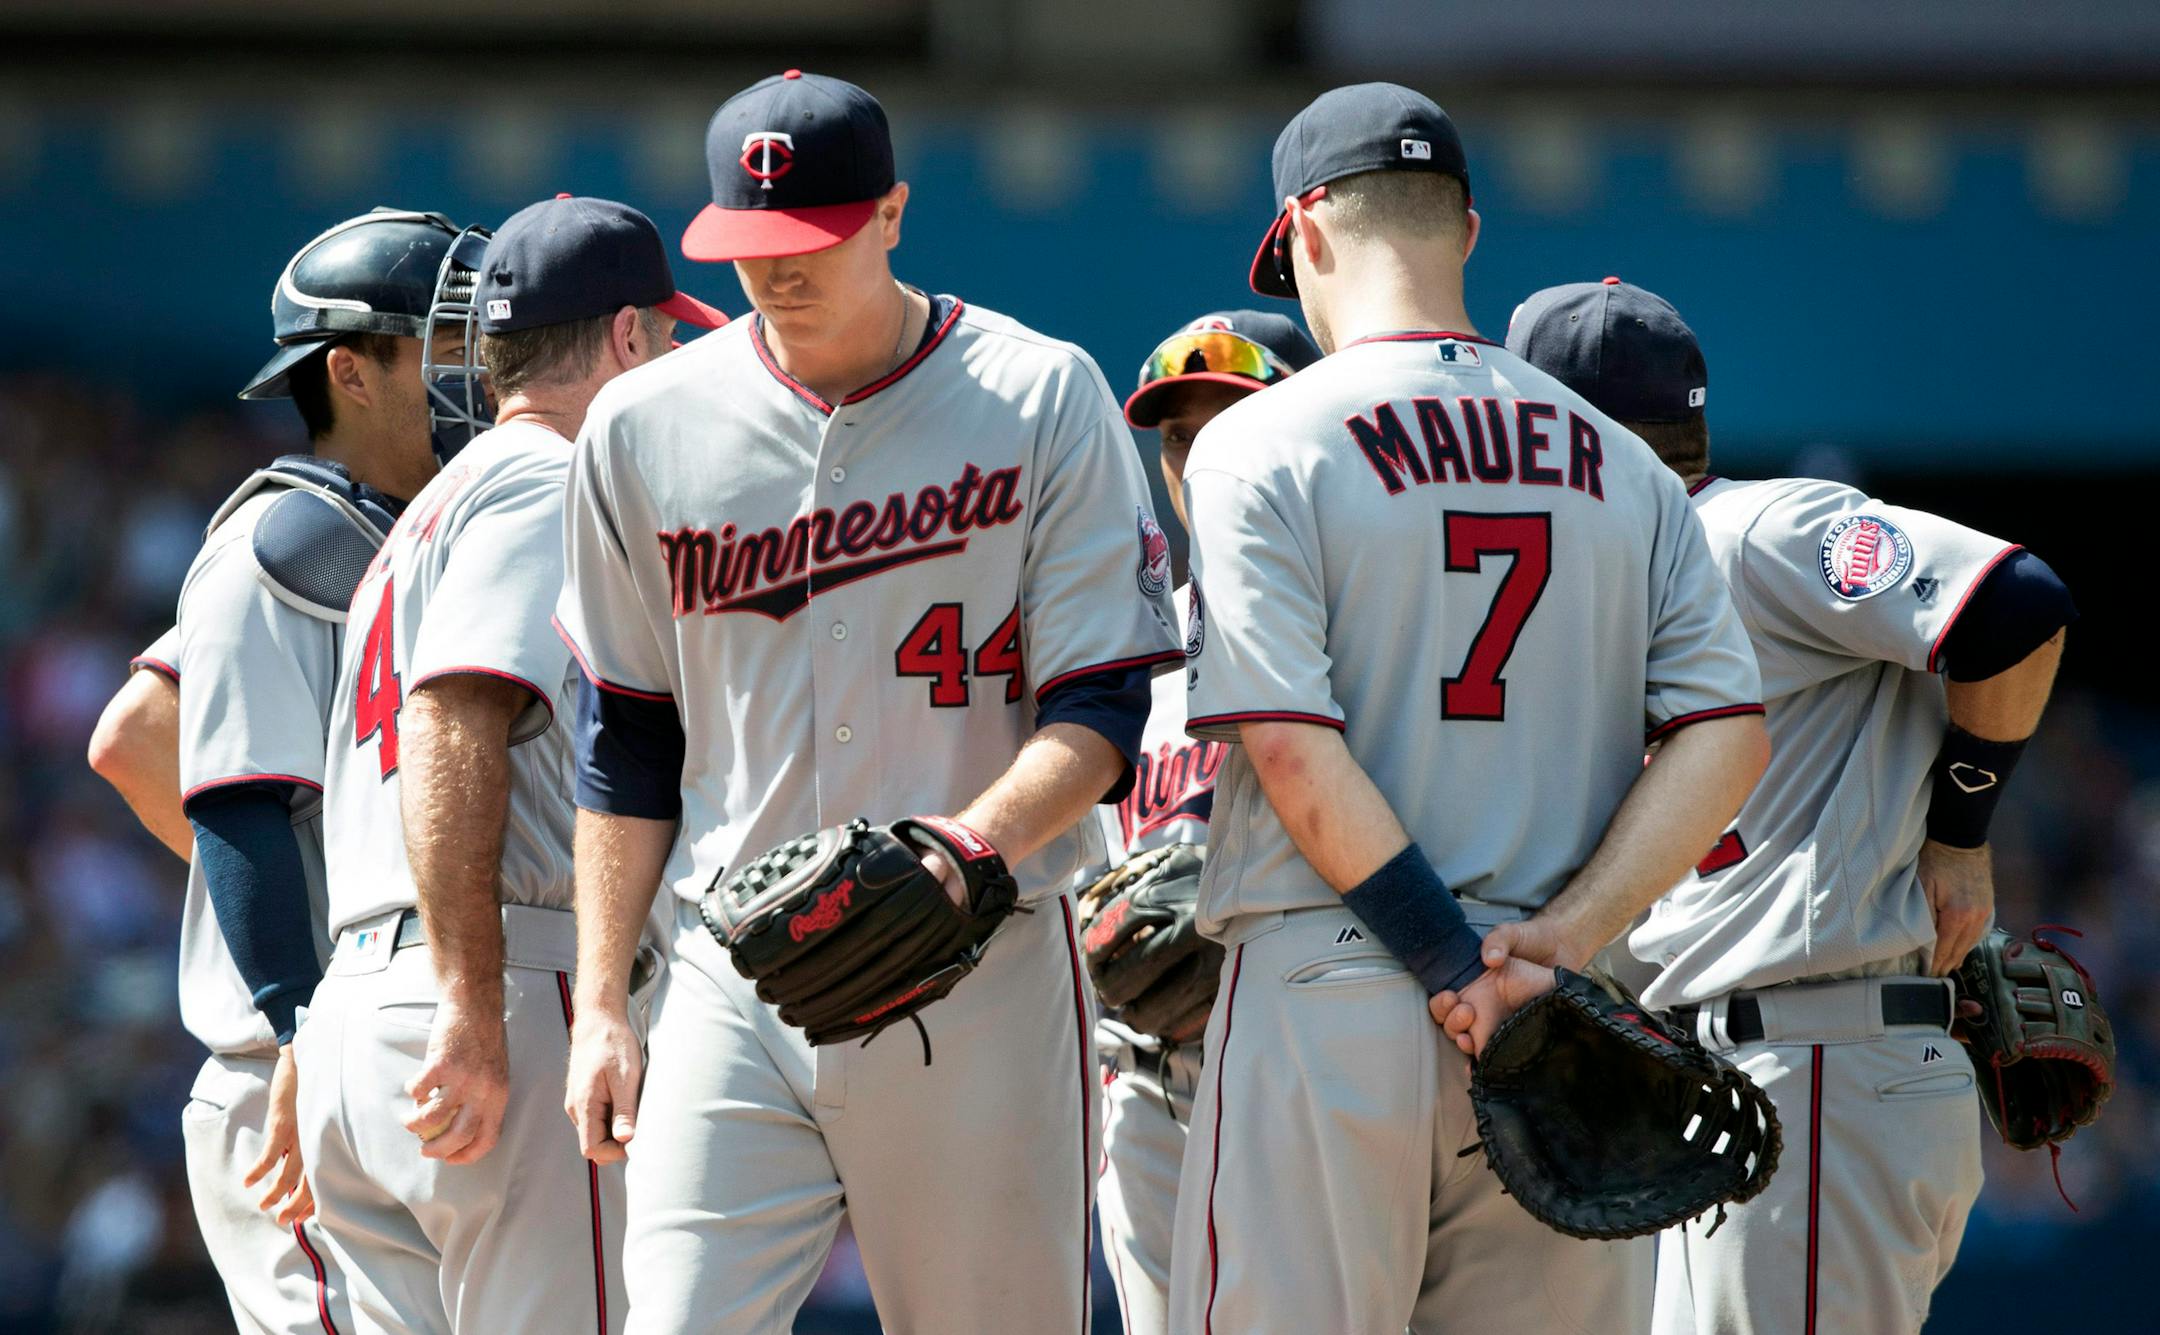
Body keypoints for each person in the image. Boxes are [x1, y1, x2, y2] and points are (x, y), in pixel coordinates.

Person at [555, 69, 1180, 1333]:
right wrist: (606, 1004)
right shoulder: (641, 425)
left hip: (977, 965)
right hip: (734, 972)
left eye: (815, 239)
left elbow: (1103, 709)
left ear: (891, 213)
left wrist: (967, 849)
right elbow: (627, 739)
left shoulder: (1039, 394)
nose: (779, 272)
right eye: (750, 244)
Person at [1164, 82, 1772, 1334]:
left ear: (1309, 231)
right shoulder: (1618, 456)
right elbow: (1728, 732)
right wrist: (1553, 946)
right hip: (1560, 1012)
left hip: (1337, 982)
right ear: (1471, 234)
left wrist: (1452, 969)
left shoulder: (1263, 439)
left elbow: (1287, 741)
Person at [1505, 277, 2077, 1335]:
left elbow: (2018, 603)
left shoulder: (1751, 529)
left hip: (1820, 1055)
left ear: (1571, 432)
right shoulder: (1632, 582)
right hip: (1731, 1075)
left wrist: (1960, 836)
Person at [296, 194, 721, 1335]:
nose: (677, 355)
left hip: (363, 1004)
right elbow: (453, 715)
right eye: (669, 333)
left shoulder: (421, 515)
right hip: (500, 991)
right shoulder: (546, 484)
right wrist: (473, 1005)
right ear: (626, 339)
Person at [85, 206, 476, 1334]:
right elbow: (135, 741)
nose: (474, 372)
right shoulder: (290, 535)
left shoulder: (405, 522)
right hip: (294, 1063)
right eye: (441, 345)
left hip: (382, 1050)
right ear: (350, 371)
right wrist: (309, 981)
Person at [1093, 309, 1318, 1335]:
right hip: (1147, 1087)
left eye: (1234, 417)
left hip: (1308, 1069)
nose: (1200, 455)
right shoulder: (1128, 647)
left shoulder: (1365, 630)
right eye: (1179, 435)